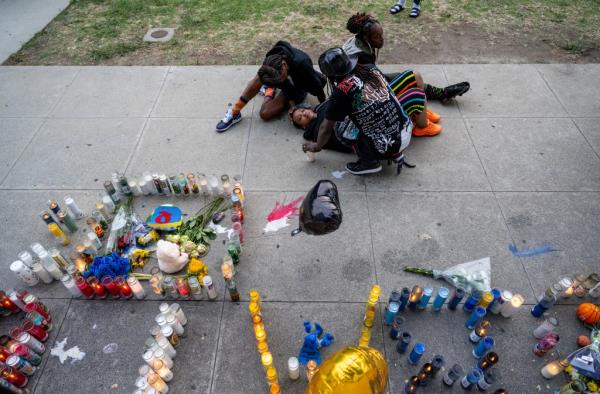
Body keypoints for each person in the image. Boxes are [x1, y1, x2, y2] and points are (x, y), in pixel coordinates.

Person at [342, 13, 470, 133]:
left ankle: (436, 98)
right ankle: (421, 122)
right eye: (377, 37)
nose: (382, 40)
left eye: (382, 35)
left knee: (413, 77)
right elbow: (378, 86)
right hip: (370, 97)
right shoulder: (362, 57)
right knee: (414, 79)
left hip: (370, 83)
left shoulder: (357, 41)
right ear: (366, 37)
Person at [303, 48, 420, 176]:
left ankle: (369, 163)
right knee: (377, 113)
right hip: (405, 129)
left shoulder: (341, 90)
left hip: (388, 144)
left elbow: (326, 128)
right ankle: (395, 153)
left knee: (342, 128)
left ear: (330, 74)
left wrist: (317, 146)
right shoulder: (370, 68)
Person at [215, 41, 327, 133]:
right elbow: (285, 86)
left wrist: (324, 111)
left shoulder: (302, 64)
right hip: (286, 79)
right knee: (259, 77)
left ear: (284, 65)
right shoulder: (273, 58)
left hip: (300, 83)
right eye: (275, 82)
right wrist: (291, 105)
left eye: (279, 80)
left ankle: (269, 88)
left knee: (265, 113)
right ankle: (235, 111)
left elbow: (318, 89)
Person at [289, 102, 353, 153]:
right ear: (303, 126)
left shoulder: (319, 107)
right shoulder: (316, 133)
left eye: (302, 110)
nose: (304, 114)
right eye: (300, 118)